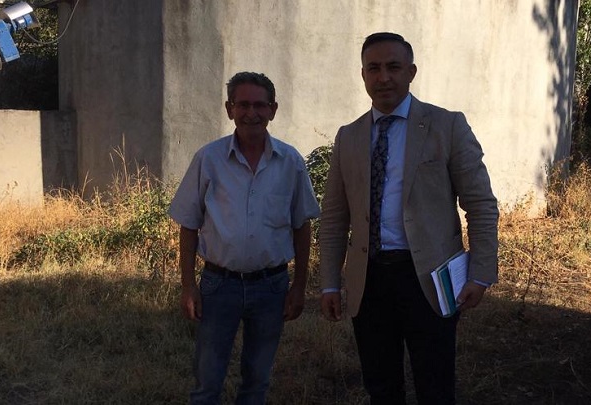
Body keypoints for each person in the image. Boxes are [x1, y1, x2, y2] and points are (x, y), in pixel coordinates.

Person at [319, 32, 499, 404]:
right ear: (363, 75)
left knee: (435, 387)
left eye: (393, 67)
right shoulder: (348, 136)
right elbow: (335, 217)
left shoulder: (446, 126)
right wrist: (329, 284)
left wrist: (481, 273)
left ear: (411, 72)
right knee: (381, 387)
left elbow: (481, 204)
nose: (383, 77)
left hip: (429, 279)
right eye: (374, 68)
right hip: (369, 280)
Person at [168, 71, 320, 404]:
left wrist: (299, 287)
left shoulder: (290, 162)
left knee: (257, 380)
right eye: (243, 105)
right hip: (218, 285)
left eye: (260, 105)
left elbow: (301, 226)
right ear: (229, 109)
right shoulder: (209, 159)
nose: (252, 113)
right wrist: (188, 286)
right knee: (208, 380)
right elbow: (189, 224)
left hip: (271, 287)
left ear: (273, 110)